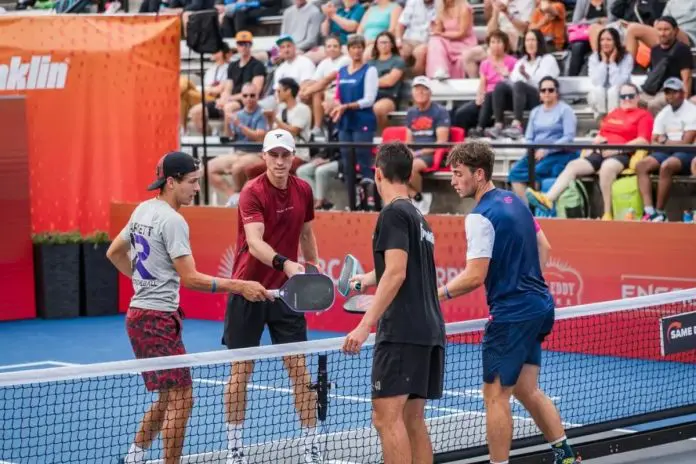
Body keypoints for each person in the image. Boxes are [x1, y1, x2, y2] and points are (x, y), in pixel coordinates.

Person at [106, 152, 270, 464]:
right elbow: (191, 279)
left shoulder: (143, 210)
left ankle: (133, 458)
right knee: (183, 398)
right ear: (171, 182)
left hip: (140, 316)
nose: (197, 188)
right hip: (155, 319)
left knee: (169, 396)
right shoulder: (173, 221)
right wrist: (240, 286)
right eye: (192, 182)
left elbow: (114, 252)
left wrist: (145, 279)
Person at [439, 140, 581, 464]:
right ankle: (566, 457)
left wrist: (434, 295)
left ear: (478, 174)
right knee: (527, 389)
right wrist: (526, 279)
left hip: (512, 313)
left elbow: (474, 276)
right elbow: (544, 247)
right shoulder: (516, 201)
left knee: (495, 396)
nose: (453, 181)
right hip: (540, 306)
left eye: (458, 174)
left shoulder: (479, 216)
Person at [222, 129, 322, 464]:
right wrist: (286, 263)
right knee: (240, 373)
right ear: (264, 157)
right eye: (274, 155)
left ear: (293, 158)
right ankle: (234, 447)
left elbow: (307, 232)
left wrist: (314, 268)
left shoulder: (303, 189)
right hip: (247, 290)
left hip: (286, 295)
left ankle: (311, 444)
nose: (280, 161)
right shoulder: (252, 192)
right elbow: (255, 243)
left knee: (300, 373)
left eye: (285, 155)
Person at [342, 141, 445, 464]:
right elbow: (400, 268)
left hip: (401, 331)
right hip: (429, 330)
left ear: (378, 173)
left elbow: (397, 274)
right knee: (412, 419)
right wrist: (366, 279)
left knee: (386, 418)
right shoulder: (417, 216)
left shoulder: (392, 214)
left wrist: (364, 325)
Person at [527, 83, 654, 220]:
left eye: (631, 96)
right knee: (573, 166)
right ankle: (548, 199)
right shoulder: (614, 113)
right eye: (623, 96)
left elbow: (643, 140)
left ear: (638, 97)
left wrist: (618, 149)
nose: (627, 99)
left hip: (622, 153)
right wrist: (593, 145)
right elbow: (601, 134)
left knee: (607, 168)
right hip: (600, 151)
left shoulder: (643, 116)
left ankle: (607, 213)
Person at [507, 76, 578, 203]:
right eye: (543, 90)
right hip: (535, 152)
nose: (546, 93)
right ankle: (528, 210)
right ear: (539, 93)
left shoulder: (565, 110)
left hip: (558, 152)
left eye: (550, 90)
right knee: (514, 173)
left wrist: (546, 150)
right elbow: (529, 137)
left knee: (538, 171)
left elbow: (568, 137)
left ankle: (541, 206)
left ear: (556, 92)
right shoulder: (535, 111)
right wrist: (532, 150)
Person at [636, 77, 696, 222]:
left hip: (687, 152)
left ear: (682, 93)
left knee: (666, 166)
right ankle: (649, 211)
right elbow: (654, 140)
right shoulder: (663, 113)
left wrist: (664, 140)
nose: (669, 96)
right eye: (667, 92)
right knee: (641, 165)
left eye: (673, 92)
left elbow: (686, 142)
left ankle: (660, 211)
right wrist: (664, 141)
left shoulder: (692, 111)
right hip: (667, 150)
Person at [405, 75, 452, 215]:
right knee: (386, 168)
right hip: (414, 154)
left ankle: (417, 203)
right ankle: (417, 197)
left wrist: (418, 153)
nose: (420, 92)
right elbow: (408, 141)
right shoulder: (411, 112)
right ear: (412, 93)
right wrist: (406, 152)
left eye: (424, 89)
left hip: (432, 154)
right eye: (417, 89)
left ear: (430, 92)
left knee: (411, 165)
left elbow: (441, 142)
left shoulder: (440, 111)